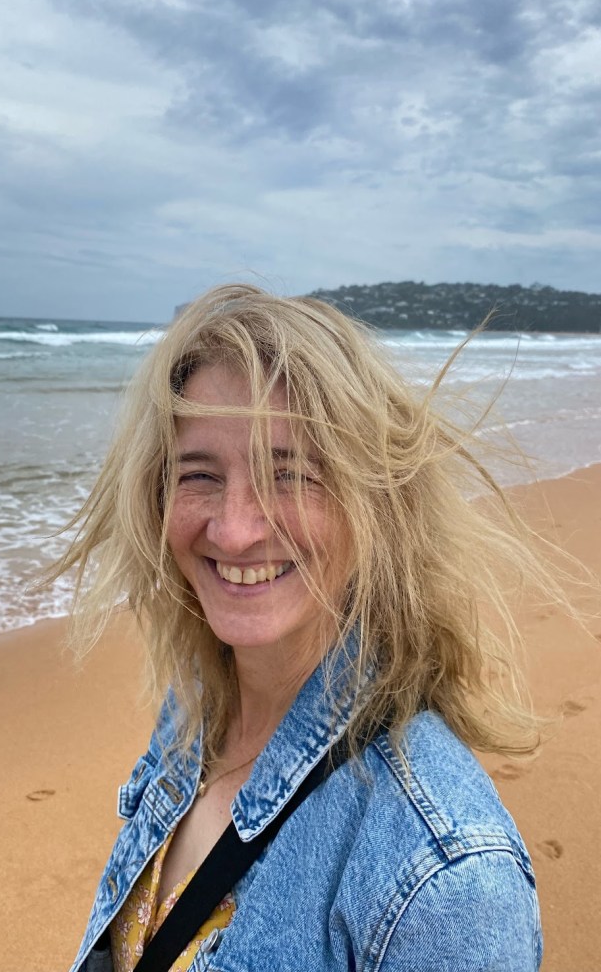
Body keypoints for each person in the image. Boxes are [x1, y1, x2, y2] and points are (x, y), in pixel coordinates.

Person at [53, 284, 554, 972]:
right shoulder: (196, 705)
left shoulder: (446, 877)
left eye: (289, 475)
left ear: (376, 504)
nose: (234, 531)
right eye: (199, 475)